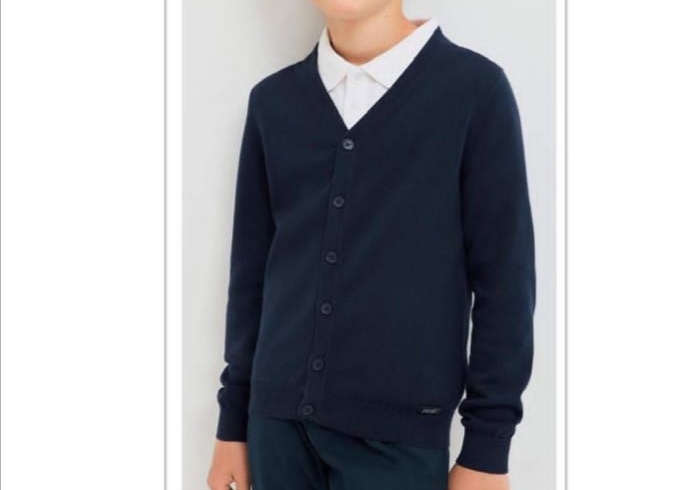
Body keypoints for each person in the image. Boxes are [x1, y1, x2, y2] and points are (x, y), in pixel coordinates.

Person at [207, 1, 535, 489]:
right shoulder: (273, 102)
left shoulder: (473, 91)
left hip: (399, 442)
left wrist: (488, 449)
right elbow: (252, 274)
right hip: (276, 429)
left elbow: (505, 280)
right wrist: (233, 422)